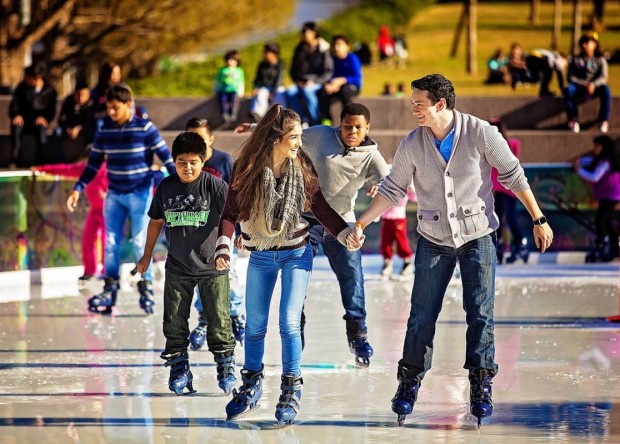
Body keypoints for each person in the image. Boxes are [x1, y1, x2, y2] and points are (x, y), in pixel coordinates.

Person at [352, 74, 554, 426]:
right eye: (412, 102)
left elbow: (512, 174)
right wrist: (362, 222)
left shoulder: (481, 133)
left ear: (440, 105)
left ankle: (480, 385)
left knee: (480, 313)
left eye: (419, 103)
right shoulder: (412, 143)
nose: (413, 108)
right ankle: (408, 383)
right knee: (421, 315)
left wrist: (538, 218)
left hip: (478, 235)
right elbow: (393, 188)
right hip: (433, 238)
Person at [215, 104, 359, 425]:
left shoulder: (302, 165)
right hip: (262, 254)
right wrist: (224, 246)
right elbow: (229, 214)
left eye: (299, 136)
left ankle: (291, 388)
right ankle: (251, 384)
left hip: (297, 251)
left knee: (289, 323)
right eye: (293, 137)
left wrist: (345, 232)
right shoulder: (247, 168)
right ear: (275, 137)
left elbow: (319, 205)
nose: (298, 142)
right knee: (254, 326)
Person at [235, 103, 389, 367]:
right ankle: (297, 326)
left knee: (352, 279)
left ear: (367, 129)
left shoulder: (371, 155)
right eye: (347, 126)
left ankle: (358, 336)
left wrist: (378, 184)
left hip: (343, 220)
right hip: (308, 217)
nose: (352, 131)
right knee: (298, 275)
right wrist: (253, 128)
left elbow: (387, 180)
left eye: (358, 127)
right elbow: (284, 133)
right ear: (338, 124)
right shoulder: (319, 134)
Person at [136, 131, 237, 396]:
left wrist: (235, 242)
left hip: (212, 267)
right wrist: (147, 254)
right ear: (174, 162)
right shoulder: (166, 187)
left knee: (219, 320)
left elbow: (232, 215)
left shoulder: (214, 186)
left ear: (203, 161)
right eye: (182, 162)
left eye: (193, 161)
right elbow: (156, 221)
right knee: (174, 321)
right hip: (177, 267)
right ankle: (179, 367)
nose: (188, 167)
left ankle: (225, 365)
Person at [66, 84, 176, 315]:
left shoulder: (145, 128)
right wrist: (78, 188)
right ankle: (110, 288)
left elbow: (166, 157)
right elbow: (93, 163)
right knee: (110, 243)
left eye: (115, 108)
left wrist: (183, 184)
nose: (111, 113)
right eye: (108, 108)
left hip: (139, 192)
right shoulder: (104, 129)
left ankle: (144, 285)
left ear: (128, 105)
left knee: (138, 240)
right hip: (114, 194)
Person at [182, 117, 244, 350]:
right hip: (195, 233)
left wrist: (240, 230)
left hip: (222, 232)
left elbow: (237, 197)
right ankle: (204, 320)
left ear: (211, 139)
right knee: (201, 279)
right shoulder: (184, 164)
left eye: (200, 137)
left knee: (229, 277)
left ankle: (237, 315)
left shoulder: (223, 161)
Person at [33, 150, 107, 287]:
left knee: (106, 243)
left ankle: (108, 273)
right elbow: (65, 169)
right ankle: (90, 271)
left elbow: (122, 184)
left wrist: (110, 195)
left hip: (110, 212)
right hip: (95, 211)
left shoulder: (109, 170)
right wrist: (42, 169)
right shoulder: (85, 169)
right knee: (88, 239)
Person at [277, 21, 333, 127]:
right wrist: (298, 81)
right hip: (301, 82)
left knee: (307, 91)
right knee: (290, 92)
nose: (303, 34)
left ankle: (316, 120)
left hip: (317, 82)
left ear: (314, 33)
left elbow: (327, 71)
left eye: (305, 31)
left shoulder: (324, 49)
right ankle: (303, 119)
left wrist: (314, 81)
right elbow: (293, 70)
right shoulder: (299, 49)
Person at [574, 135, 620, 262]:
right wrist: (579, 161)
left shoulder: (605, 161)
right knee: (606, 221)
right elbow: (588, 161)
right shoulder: (603, 160)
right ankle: (613, 245)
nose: (595, 149)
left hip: (611, 195)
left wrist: (579, 170)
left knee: (600, 220)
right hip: (610, 194)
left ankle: (603, 243)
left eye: (597, 146)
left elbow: (594, 177)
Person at [490, 118, 528, 264]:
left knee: (511, 217)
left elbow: (513, 160)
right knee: (497, 218)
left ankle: (520, 244)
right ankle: (497, 245)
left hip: (510, 188)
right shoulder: (489, 146)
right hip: (499, 188)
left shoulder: (510, 144)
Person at [8, 64, 58, 167]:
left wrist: (44, 118)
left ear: (37, 78)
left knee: (41, 130)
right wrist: (17, 115)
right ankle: (16, 159)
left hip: (39, 122)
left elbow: (51, 110)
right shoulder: (21, 88)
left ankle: (40, 162)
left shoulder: (50, 90)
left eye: (28, 78)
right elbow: (14, 105)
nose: (26, 80)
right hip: (24, 121)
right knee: (16, 128)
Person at [565, 33, 611, 134]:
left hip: (595, 87)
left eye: (587, 42)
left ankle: (603, 120)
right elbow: (570, 77)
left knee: (606, 90)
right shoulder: (575, 59)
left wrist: (593, 84)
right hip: (579, 87)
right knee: (568, 90)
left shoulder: (600, 59)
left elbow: (604, 77)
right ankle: (573, 119)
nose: (584, 45)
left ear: (594, 44)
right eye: (583, 43)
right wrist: (583, 84)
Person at [317, 35, 362, 125]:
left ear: (347, 46)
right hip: (335, 86)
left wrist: (342, 80)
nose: (336, 48)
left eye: (339, 45)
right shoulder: (332, 60)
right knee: (322, 91)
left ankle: (349, 117)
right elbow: (328, 74)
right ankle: (326, 119)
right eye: (334, 45)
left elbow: (356, 77)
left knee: (345, 91)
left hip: (351, 86)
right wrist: (332, 83)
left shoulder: (352, 58)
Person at [380, 184, 416, 279]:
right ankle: (387, 263)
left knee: (401, 242)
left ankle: (407, 263)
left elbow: (415, 198)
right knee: (386, 242)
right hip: (386, 218)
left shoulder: (406, 184)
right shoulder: (387, 181)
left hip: (398, 218)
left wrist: (411, 190)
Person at [57, 80, 95, 161]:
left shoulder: (91, 104)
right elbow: (62, 120)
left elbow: (89, 121)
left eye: (84, 95)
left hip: (84, 129)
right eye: (78, 95)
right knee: (58, 132)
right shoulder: (68, 101)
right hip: (69, 128)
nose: (81, 98)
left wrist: (78, 129)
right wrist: (67, 129)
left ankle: (86, 157)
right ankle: (60, 159)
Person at [249, 43, 283, 121]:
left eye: (266, 52)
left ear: (274, 53)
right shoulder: (262, 64)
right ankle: (258, 116)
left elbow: (279, 80)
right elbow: (257, 79)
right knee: (261, 94)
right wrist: (256, 87)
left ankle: (280, 118)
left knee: (280, 95)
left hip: (277, 87)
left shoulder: (279, 64)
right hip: (264, 87)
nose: (264, 54)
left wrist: (273, 92)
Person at [214, 49, 245, 123]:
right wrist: (215, 89)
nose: (229, 62)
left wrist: (241, 92)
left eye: (232, 60)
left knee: (233, 101)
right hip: (223, 90)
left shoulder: (239, 71)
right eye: (228, 60)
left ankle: (233, 113)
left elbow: (241, 82)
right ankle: (224, 113)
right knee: (222, 100)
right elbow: (217, 81)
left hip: (234, 90)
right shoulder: (222, 70)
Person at [91, 62, 122, 129]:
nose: (117, 76)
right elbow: (93, 113)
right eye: (114, 73)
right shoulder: (97, 92)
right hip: (103, 120)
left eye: (118, 73)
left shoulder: (123, 89)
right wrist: (107, 113)